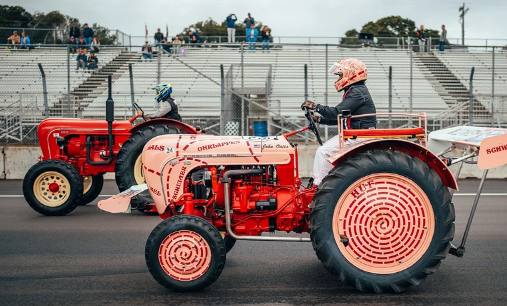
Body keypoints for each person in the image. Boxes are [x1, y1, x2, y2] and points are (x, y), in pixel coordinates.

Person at [301, 58, 377, 186]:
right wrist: (320, 119)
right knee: (325, 152)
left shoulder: (357, 92)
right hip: (355, 134)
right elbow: (342, 117)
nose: (338, 79)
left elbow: (337, 112)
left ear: (350, 74)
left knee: (323, 152)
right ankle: (323, 183)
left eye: (340, 75)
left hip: (358, 136)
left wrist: (315, 106)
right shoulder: (356, 90)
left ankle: (318, 186)